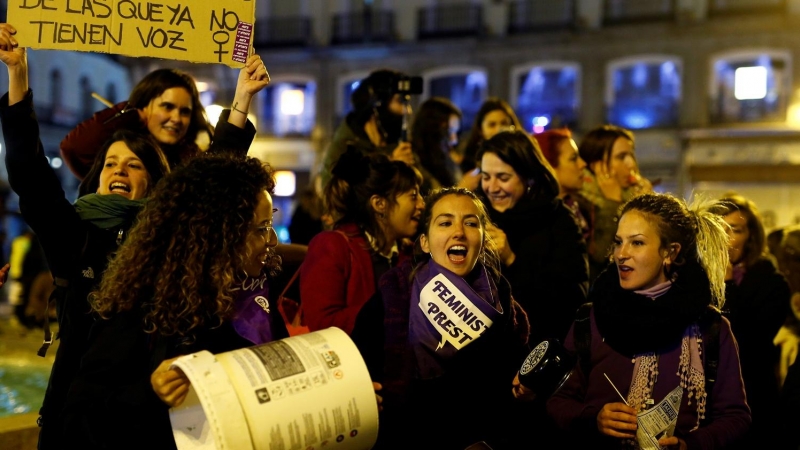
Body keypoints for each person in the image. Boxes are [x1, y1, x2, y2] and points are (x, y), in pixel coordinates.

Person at [59, 153, 281, 449]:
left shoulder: (258, 295)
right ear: (219, 233)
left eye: (269, 224)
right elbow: (79, 414)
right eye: (261, 229)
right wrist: (151, 392)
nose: (273, 240)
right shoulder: (142, 307)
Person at [545, 192, 751, 449]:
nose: (621, 254)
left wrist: (689, 444)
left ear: (670, 252)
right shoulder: (591, 319)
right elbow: (558, 401)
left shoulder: (709, 327)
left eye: (637, 243)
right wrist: (593, 418)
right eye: (618, 242)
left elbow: (735, 417)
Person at [351, 187, 531, 449]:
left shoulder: (503, 305)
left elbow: (516, 400)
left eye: (470, 223)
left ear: (482, 239)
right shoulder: (393, 296)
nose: (458, 231)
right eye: (445, 223)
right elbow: (356, 375)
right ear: (425, 242)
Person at [60, 44, 270, 179]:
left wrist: (243, 96)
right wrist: (130, 114)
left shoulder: (192, 163)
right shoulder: (118, 155)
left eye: (185, 111)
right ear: (144, 107)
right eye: (167, 107)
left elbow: (222, 166)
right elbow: (75, 148)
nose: (176, 118)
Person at [477, 130, 588, 345]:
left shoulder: (558, 219)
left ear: (528, 177)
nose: (492, 187)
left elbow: (573, 298)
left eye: (503, 177)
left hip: (538, 348)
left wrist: (511, 260)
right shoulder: (478, 215)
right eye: (485, 177)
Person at [301, 146, 424, 335]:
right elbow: (322, 323)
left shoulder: (408, 253)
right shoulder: (331, 246)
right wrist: (391, 309)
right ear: (379, 204)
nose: (422, 204)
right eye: (413, 196)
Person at [712, 193, 791, 450]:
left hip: (753, 395)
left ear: (751, 236)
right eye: (718, 228)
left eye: (734, 230)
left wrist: (727, 284)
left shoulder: (772, 282)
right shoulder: (697, 279)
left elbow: (749, 339)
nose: (726, 238)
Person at [576, 124, 653, 282]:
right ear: (596, 165)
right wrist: (613, 205)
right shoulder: (579, 202)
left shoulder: (634, 193)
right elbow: (600, 258)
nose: (631, 164)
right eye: (621, 157)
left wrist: (647, 206)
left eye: (631, 155)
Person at [319, 68, 416, 188]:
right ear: (377, 106)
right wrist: (389, 168)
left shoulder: (399, 144)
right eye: (400, 101)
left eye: (407, 103)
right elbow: (334, 198)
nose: (408, 110)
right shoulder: (345, 149)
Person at [534, 127, 589, 241]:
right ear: (549, 167)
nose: (582, 164)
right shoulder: (542, 221)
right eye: (573, 158)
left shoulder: (580, 207)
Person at [457, 97, 524, 191]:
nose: (499, 129)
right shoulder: (470, 163)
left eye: (504, 123)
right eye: (492, 125)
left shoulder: (523, 155)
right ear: (480, 130)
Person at [408, 96, 462, 195]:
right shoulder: (412, 162)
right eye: (449, 132)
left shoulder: (448, 162)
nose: (454, 141)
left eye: (456, 133)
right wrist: (463, 188)